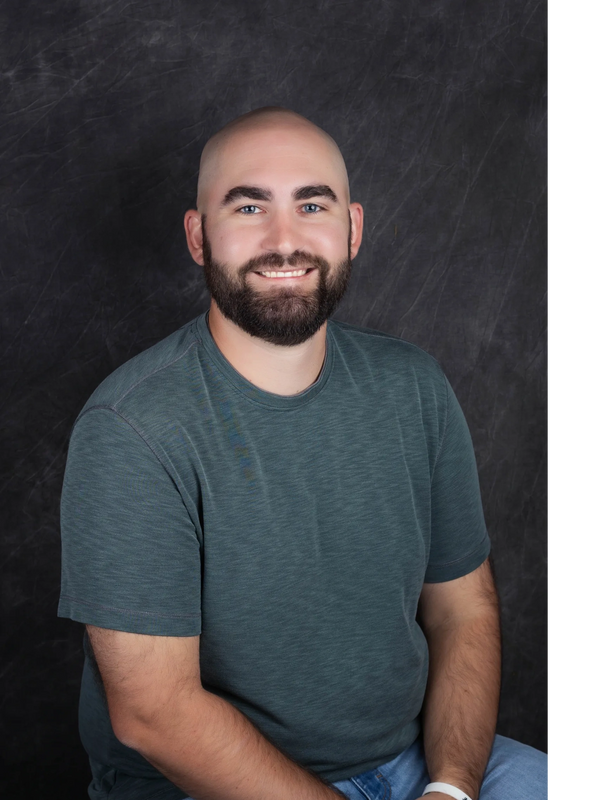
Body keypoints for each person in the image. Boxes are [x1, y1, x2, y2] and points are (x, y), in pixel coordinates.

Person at [58, 107, 550, 800]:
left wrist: (452, 788)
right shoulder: (132, 426)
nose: (284, 241)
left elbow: (462, 610)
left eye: (311, 205)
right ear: (199, 236)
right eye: (249, 207)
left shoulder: (414, 387)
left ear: (352, 229)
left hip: (410, 760)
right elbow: (153, 715)